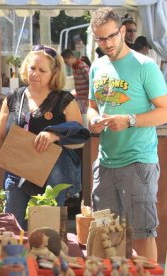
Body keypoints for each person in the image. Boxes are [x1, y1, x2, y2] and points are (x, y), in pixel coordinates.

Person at [88, 7, 167, 261]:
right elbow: (90, 108)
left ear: (122, 31)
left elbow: (165, 111)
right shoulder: (97, 67)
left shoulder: (145, 66)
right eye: (100, 39)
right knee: (105, 233)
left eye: (111, 36)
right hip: (106, 162)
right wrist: (92, 122)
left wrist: (130, 120)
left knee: (143, 234)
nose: (107, 43)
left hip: (138, 163)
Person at [0, 45, 85, 231]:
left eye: (42, 70)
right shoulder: (12, 99)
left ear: (54, 73)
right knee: (13, 229)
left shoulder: (65, 100)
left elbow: (79, 136)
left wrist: (54, 134)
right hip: (16, 173)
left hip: (51, 176)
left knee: (46, 232)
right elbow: (0, 137)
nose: (35, 74)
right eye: (32, 68)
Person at [61, 49, 90, 114]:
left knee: (85, 118)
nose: (66, 64)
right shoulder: (74, 67)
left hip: (85, 98)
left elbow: (90, 82)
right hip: (80, 98)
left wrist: (89, 98)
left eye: (66, 61)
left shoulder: (82, 65)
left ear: (71, 57)